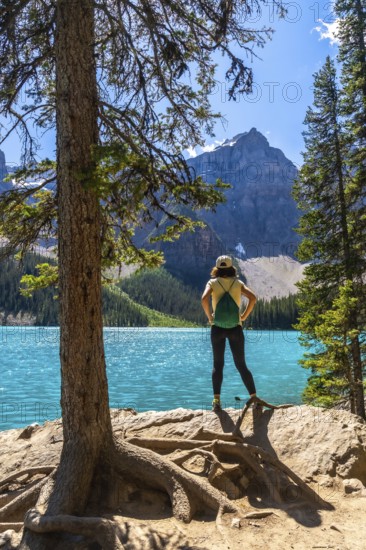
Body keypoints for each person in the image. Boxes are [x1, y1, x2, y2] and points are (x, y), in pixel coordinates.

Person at [201, 255, 257, 412]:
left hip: (217, 328)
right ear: (232, 268)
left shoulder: (212, 282)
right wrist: (243, 317)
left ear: (217, 269)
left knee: (218, 365)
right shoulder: (238, 283)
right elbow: (253, 298)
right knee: (241, 365)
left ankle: (216, 402)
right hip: (235, 328)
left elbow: (204, 299)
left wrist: (210, 317)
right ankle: (254, 399)